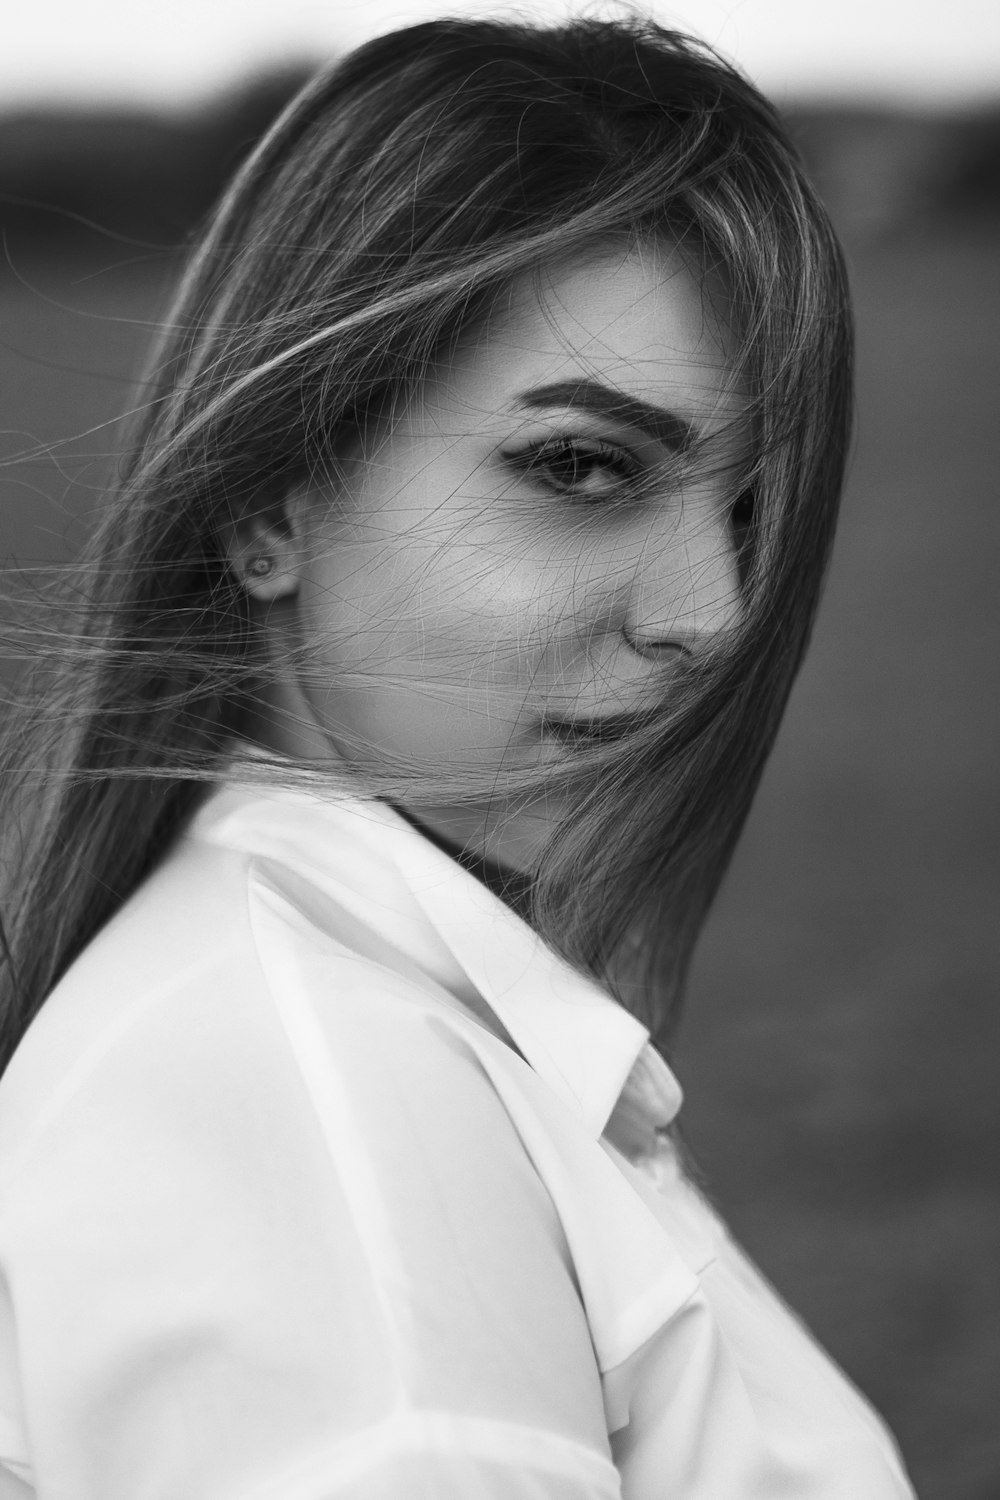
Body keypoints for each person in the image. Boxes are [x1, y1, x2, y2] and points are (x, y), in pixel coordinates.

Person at [0, 14, 917, 1498]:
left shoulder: (343, 1012)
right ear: (271, 499)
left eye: (749, 512)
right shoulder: (312, 1115)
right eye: (583, 467)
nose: (716, 616)